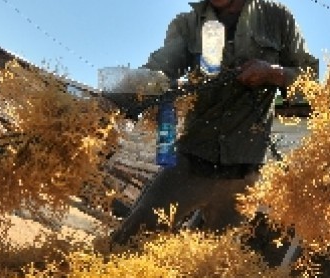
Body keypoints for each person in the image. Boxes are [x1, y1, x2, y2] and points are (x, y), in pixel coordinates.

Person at [110, 0, 318, 245]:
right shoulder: (189, 24)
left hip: (244, 171)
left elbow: (309, 76)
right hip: (193, 157)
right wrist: (118, 96)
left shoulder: (276, 18)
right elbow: (160, 69)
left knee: (215, 263)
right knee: (133, 236)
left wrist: (272, 72)